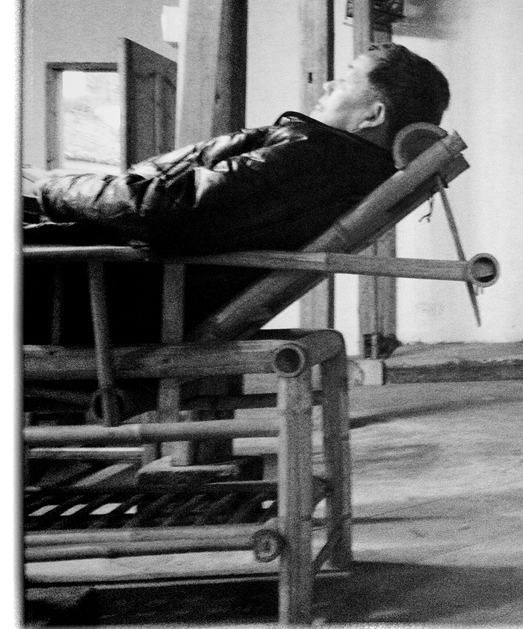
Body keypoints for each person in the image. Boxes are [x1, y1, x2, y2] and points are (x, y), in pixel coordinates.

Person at [23, 43, 449, 418]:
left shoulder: (317, 156)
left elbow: (162, 209)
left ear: (373, 115)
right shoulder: (338, 166)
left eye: (346, 79)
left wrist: (53, 188)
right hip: (104, 284)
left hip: (82, 294)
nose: (328, 85)